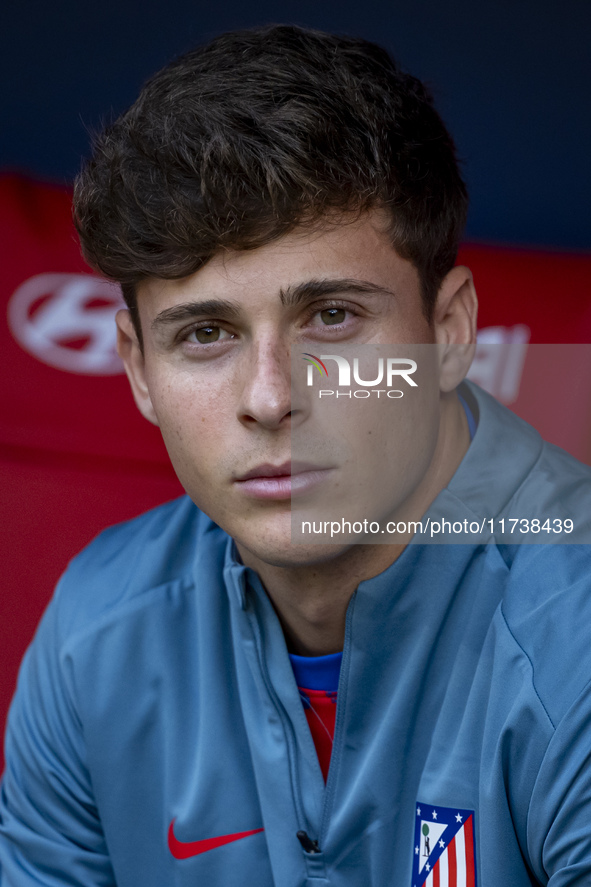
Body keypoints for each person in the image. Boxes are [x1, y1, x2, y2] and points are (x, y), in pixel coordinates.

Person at [1, 23, 590, 887]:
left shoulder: (571, 644)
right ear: (137, 368)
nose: (272, 396)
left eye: (332, 317)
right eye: (206, 334)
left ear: (450, 333)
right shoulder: (98, 634)